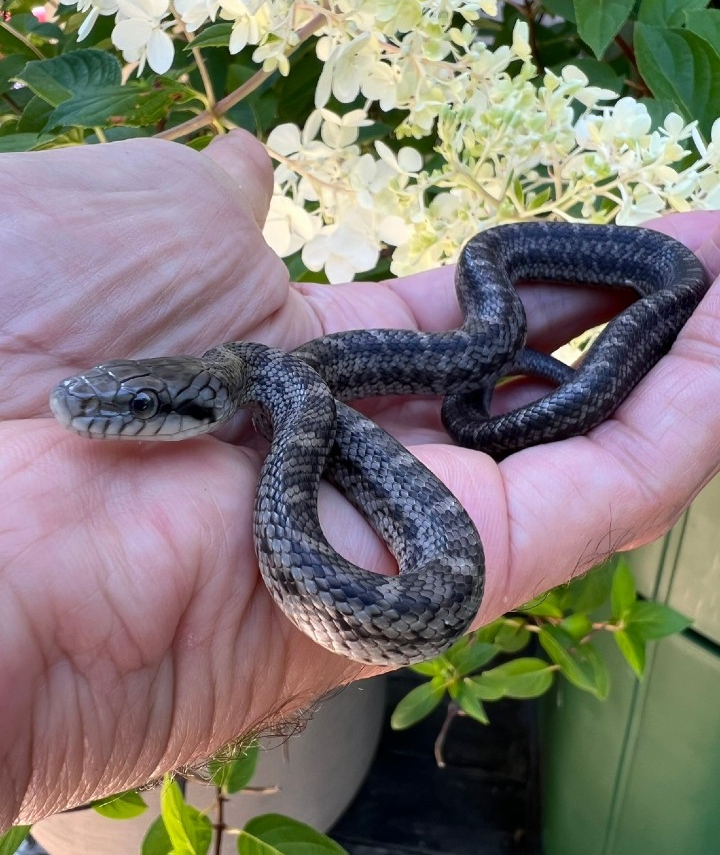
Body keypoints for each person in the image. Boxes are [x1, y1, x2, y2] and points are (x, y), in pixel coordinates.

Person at [1, 131, 718, 830]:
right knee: (446, 373)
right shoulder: (283, 384)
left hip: (383, 452)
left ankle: (528, 357)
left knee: (564, 274)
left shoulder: (281, 388)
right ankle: (498, 379)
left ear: (200, 400)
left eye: (139, 406)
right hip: (335, 417)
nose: (88, 409)